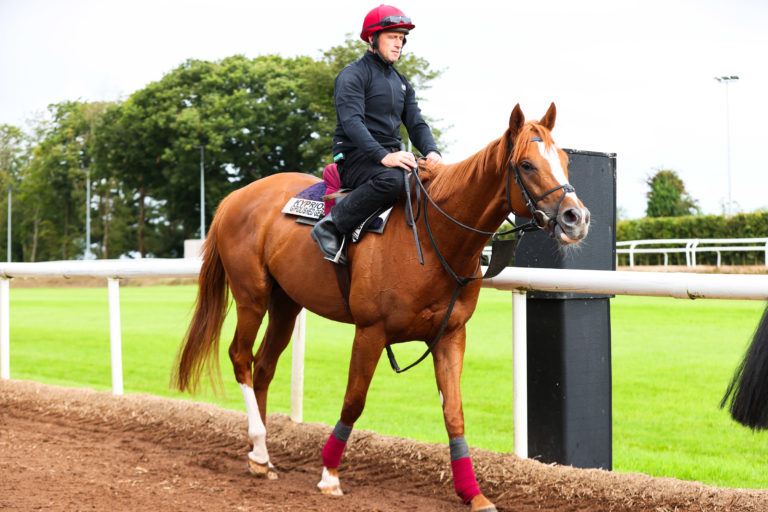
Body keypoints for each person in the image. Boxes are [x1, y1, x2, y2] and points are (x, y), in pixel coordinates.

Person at [311, 4, 442, 264]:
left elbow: (416, 123)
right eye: (392, 37)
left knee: (435, 181)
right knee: (394, 180)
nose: (399, 44)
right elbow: (352, 123)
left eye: (402, 39)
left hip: (388, 157)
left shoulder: (402, 82)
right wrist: (384, 156)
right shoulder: (352, 75)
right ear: (372, 38)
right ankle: (331, 225)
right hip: (355, 158)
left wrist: (432, 151)